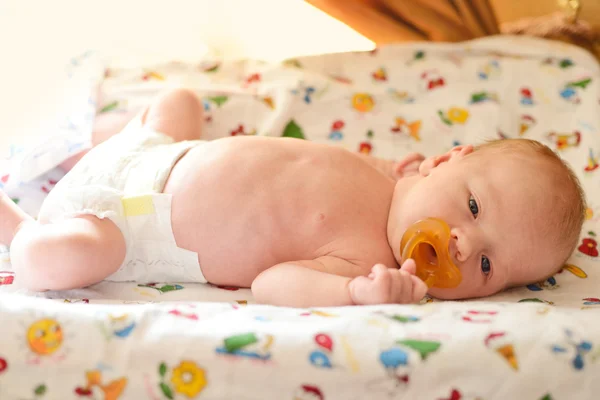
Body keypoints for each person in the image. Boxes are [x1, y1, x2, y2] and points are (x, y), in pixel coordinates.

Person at [0, 89, 586, 307]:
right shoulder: (388, 178)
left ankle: (20, 231)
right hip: (159, 154)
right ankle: (91, 139)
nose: (462, 245)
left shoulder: (367, 261)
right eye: (475, 209)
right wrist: (391, 170)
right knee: (179, 100)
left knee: (67, 261)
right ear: (442, 160)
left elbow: (272, 285)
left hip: (127, 224)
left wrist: (355, 294)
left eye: (487, 264)